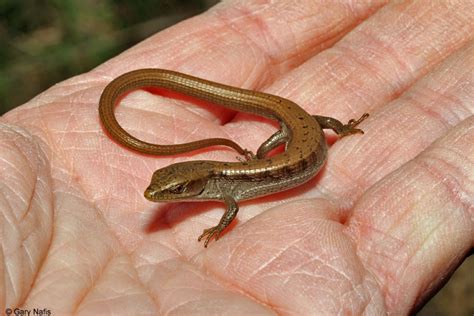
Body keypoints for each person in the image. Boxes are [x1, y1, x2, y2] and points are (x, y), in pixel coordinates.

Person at [1, 1, 472, 314]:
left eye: (177, 187)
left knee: (311, 124)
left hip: (301, 141)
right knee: (292, 128)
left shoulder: (226, 190)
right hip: (289, 137)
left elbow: (231, 209)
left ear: (202, 183)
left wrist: (340, 129)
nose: (163, 195)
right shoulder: (224, 180)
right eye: (171, 185)